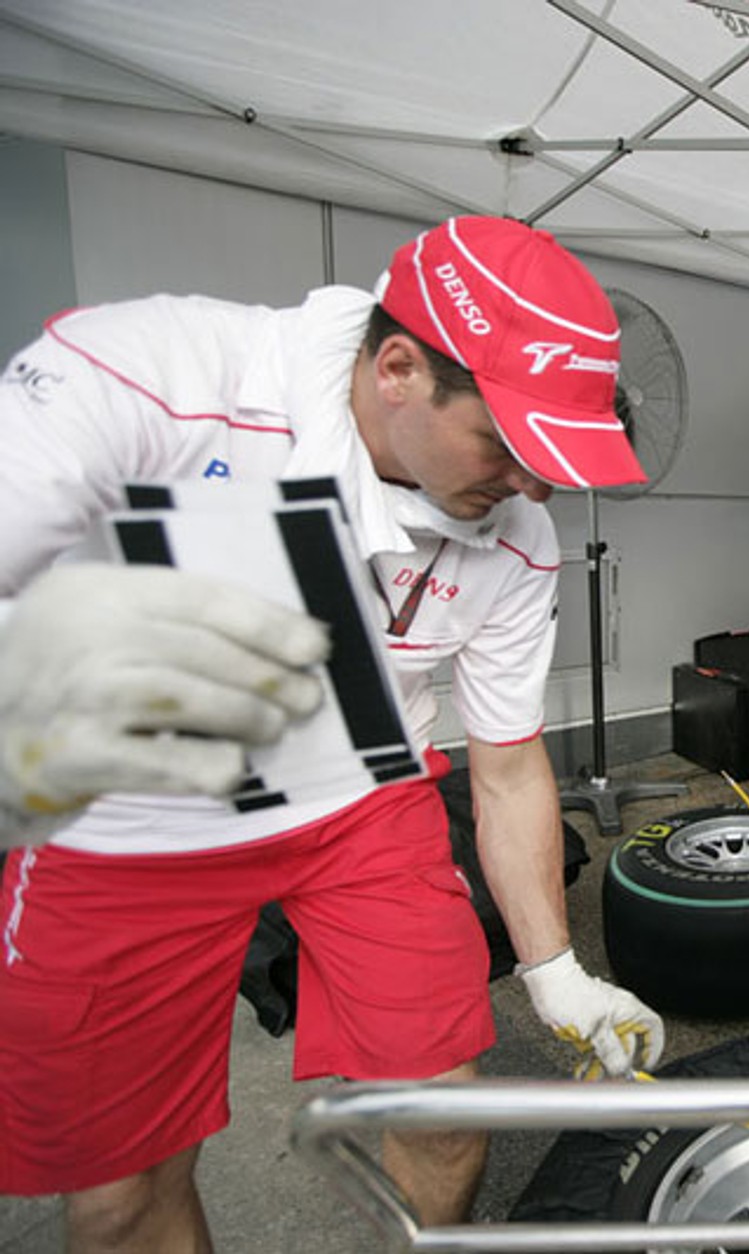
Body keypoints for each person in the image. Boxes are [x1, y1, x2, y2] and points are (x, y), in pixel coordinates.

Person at [0, 215, 670, 1250]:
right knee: (120, 1196)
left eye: (554, 464)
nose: (533, 491)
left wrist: (553, 969)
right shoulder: (152, 374)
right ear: (397, 368)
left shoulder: (519, 539)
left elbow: (503, 768)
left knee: (445, 1124)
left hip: (361, 791)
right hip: (130, 804)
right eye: (506, 447)